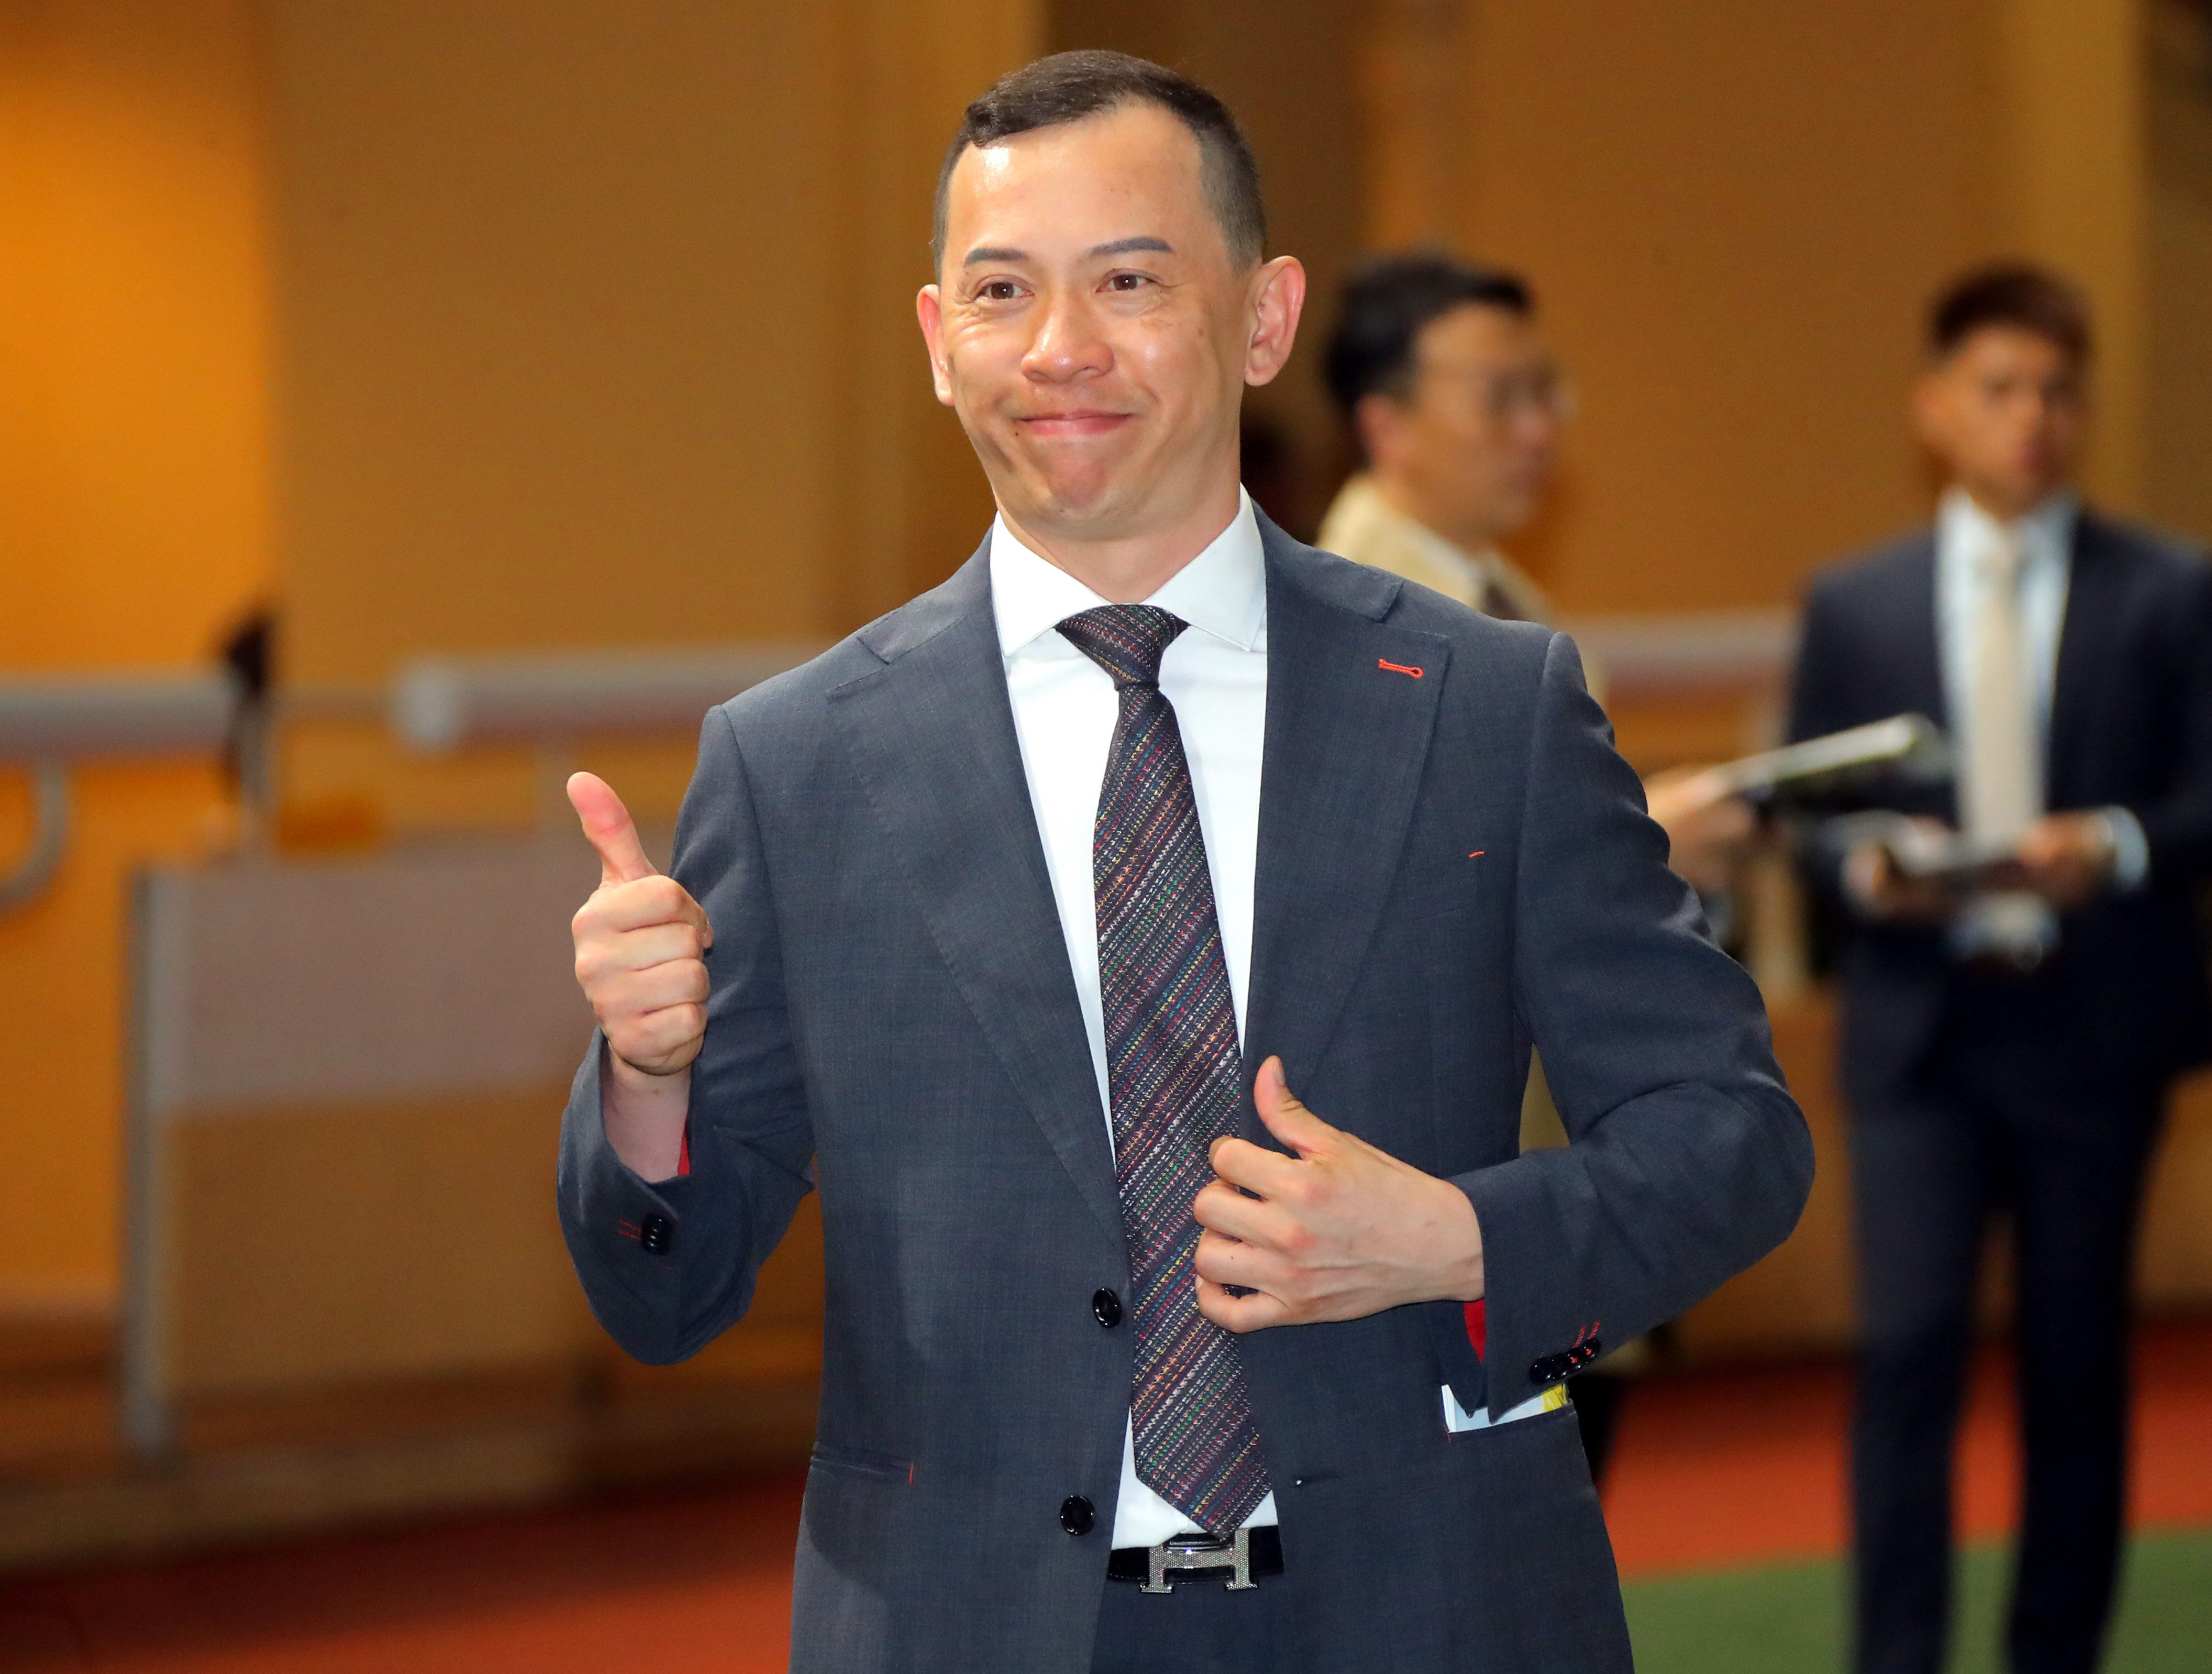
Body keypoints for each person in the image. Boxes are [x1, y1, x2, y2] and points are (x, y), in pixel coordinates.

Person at [559, 51, 1812, 1674]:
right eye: (1001, 290)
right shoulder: (798, 764)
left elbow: (1732, 1138)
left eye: (1130, 279)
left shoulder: (1482, 707)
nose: (1060, 349)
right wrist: (648, 1075)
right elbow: (668, 1292)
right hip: (971, 1626)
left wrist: (1455, 1237)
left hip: (1429, 1611)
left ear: (1264, 317)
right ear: (940, 344)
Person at [1786, 263, 2212, 1674]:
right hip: (1922, 1038)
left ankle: (2055, 1655)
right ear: (1936, 409)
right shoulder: (1856, 600)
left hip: (2093, 1029)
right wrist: (1860, 872)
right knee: (1908, 1355)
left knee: (2075, 1368)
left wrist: (2116, 844)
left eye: (2061, 389)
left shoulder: (2170, 587)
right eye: (2001, 388)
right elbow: (1809, 821)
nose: (2035, 418)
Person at [1317, 253, 1752, 899]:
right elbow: (1397, 886)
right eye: (1499, 399)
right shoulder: (1348, 618)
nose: (1538, 431)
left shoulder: (1508, 598)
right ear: (1387, 428)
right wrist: (1635, 845)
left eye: (1544, 391)